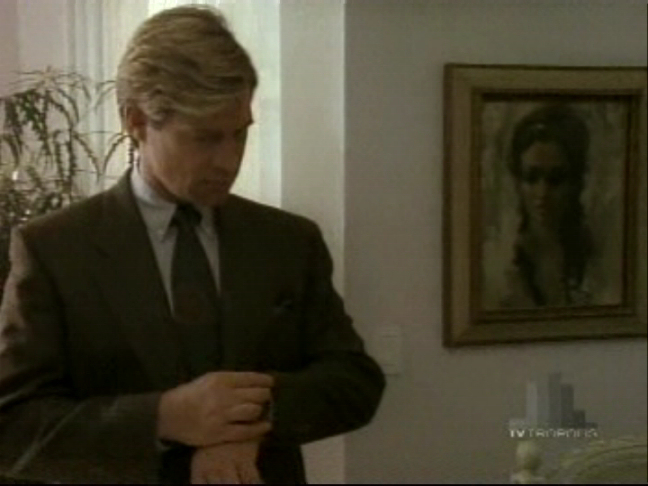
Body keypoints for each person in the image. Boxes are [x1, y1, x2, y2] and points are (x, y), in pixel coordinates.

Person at [0, 5, 385, 484]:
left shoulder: (288, 241)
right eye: (205, 139)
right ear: (136, 121)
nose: (229, 161)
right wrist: (163, 417)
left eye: (240, 135)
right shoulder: (55, 250)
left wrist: (249, 418)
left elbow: (354, 382)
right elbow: (13, 427)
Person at [500, 103, 594, 308]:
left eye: (556, 179)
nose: (543, 193)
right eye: (531, 178)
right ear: (518, 181)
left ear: (576, 183)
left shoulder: (596, 261)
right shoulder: (502, 265)